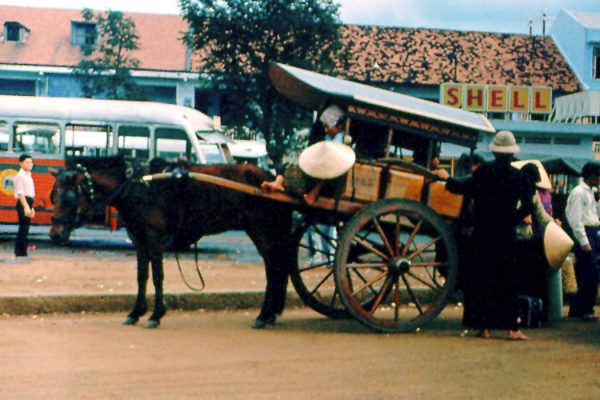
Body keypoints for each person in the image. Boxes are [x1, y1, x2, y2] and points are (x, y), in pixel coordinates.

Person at [434, 130, 533, 340]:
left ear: (495, 152)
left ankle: (484, 328)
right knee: (508, 280)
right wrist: (511, 219)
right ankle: (511, 329)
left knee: (482, 279)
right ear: (511, 153)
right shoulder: (520, 177)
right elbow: (528, 207)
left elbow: (461, 187)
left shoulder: (484, 172)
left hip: (483, 233)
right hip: (506, 234)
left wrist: (446, 178)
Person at [261, 105, 348, 205]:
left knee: (325, 173)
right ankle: (278, 183)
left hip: (330, 172)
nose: (325, 130)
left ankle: (313, 193)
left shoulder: (342, 140)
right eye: (324, 126)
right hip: (316, 165)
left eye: (328, 127)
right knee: (290, 163)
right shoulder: (326, 136)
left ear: (339, 127)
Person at [565, 162, 600, 321]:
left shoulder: (592, 192)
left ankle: (584, 306)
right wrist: (584, 241)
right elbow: (575, 219)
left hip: (593, 230)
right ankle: (581, 307)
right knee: (587, 273)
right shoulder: (578, 193)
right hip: (585, 233)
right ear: (592, 176)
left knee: (590, 272)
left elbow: (594, 214)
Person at [13, 153, 36, 258]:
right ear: (21, 164)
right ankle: (19, 251)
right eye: (27, 162)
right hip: (23, 202)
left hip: (29, 201)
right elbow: (21, 193)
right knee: (23, 227)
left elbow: (30, 192)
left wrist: (31, 207)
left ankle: (22, 251)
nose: (30, 164)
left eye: (31, 162)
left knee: (26, 228)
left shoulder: (29, 175)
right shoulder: (19, 176)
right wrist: (26, 207)